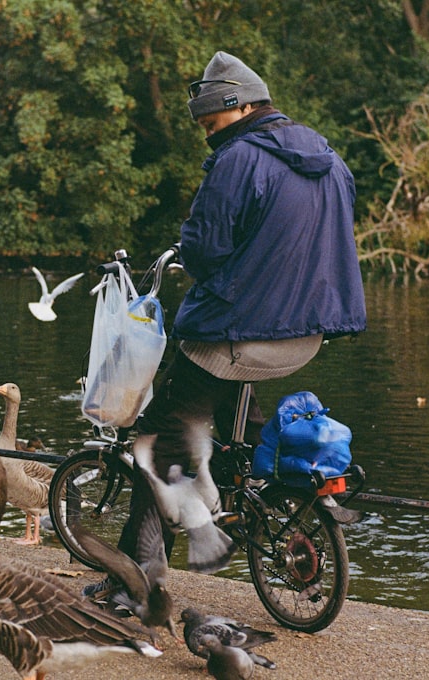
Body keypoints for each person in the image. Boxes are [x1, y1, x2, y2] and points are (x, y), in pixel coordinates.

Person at [87, 51, 366, 593]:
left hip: (240, 336)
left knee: (155, 443)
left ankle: (131, 585)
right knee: (236, 415)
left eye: (211, 124)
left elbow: (207, 248)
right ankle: (264, 506)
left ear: (238, 108)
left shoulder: (239, 160)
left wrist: (190, 255)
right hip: (305, 335)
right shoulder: (329, 157)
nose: (208, 137)